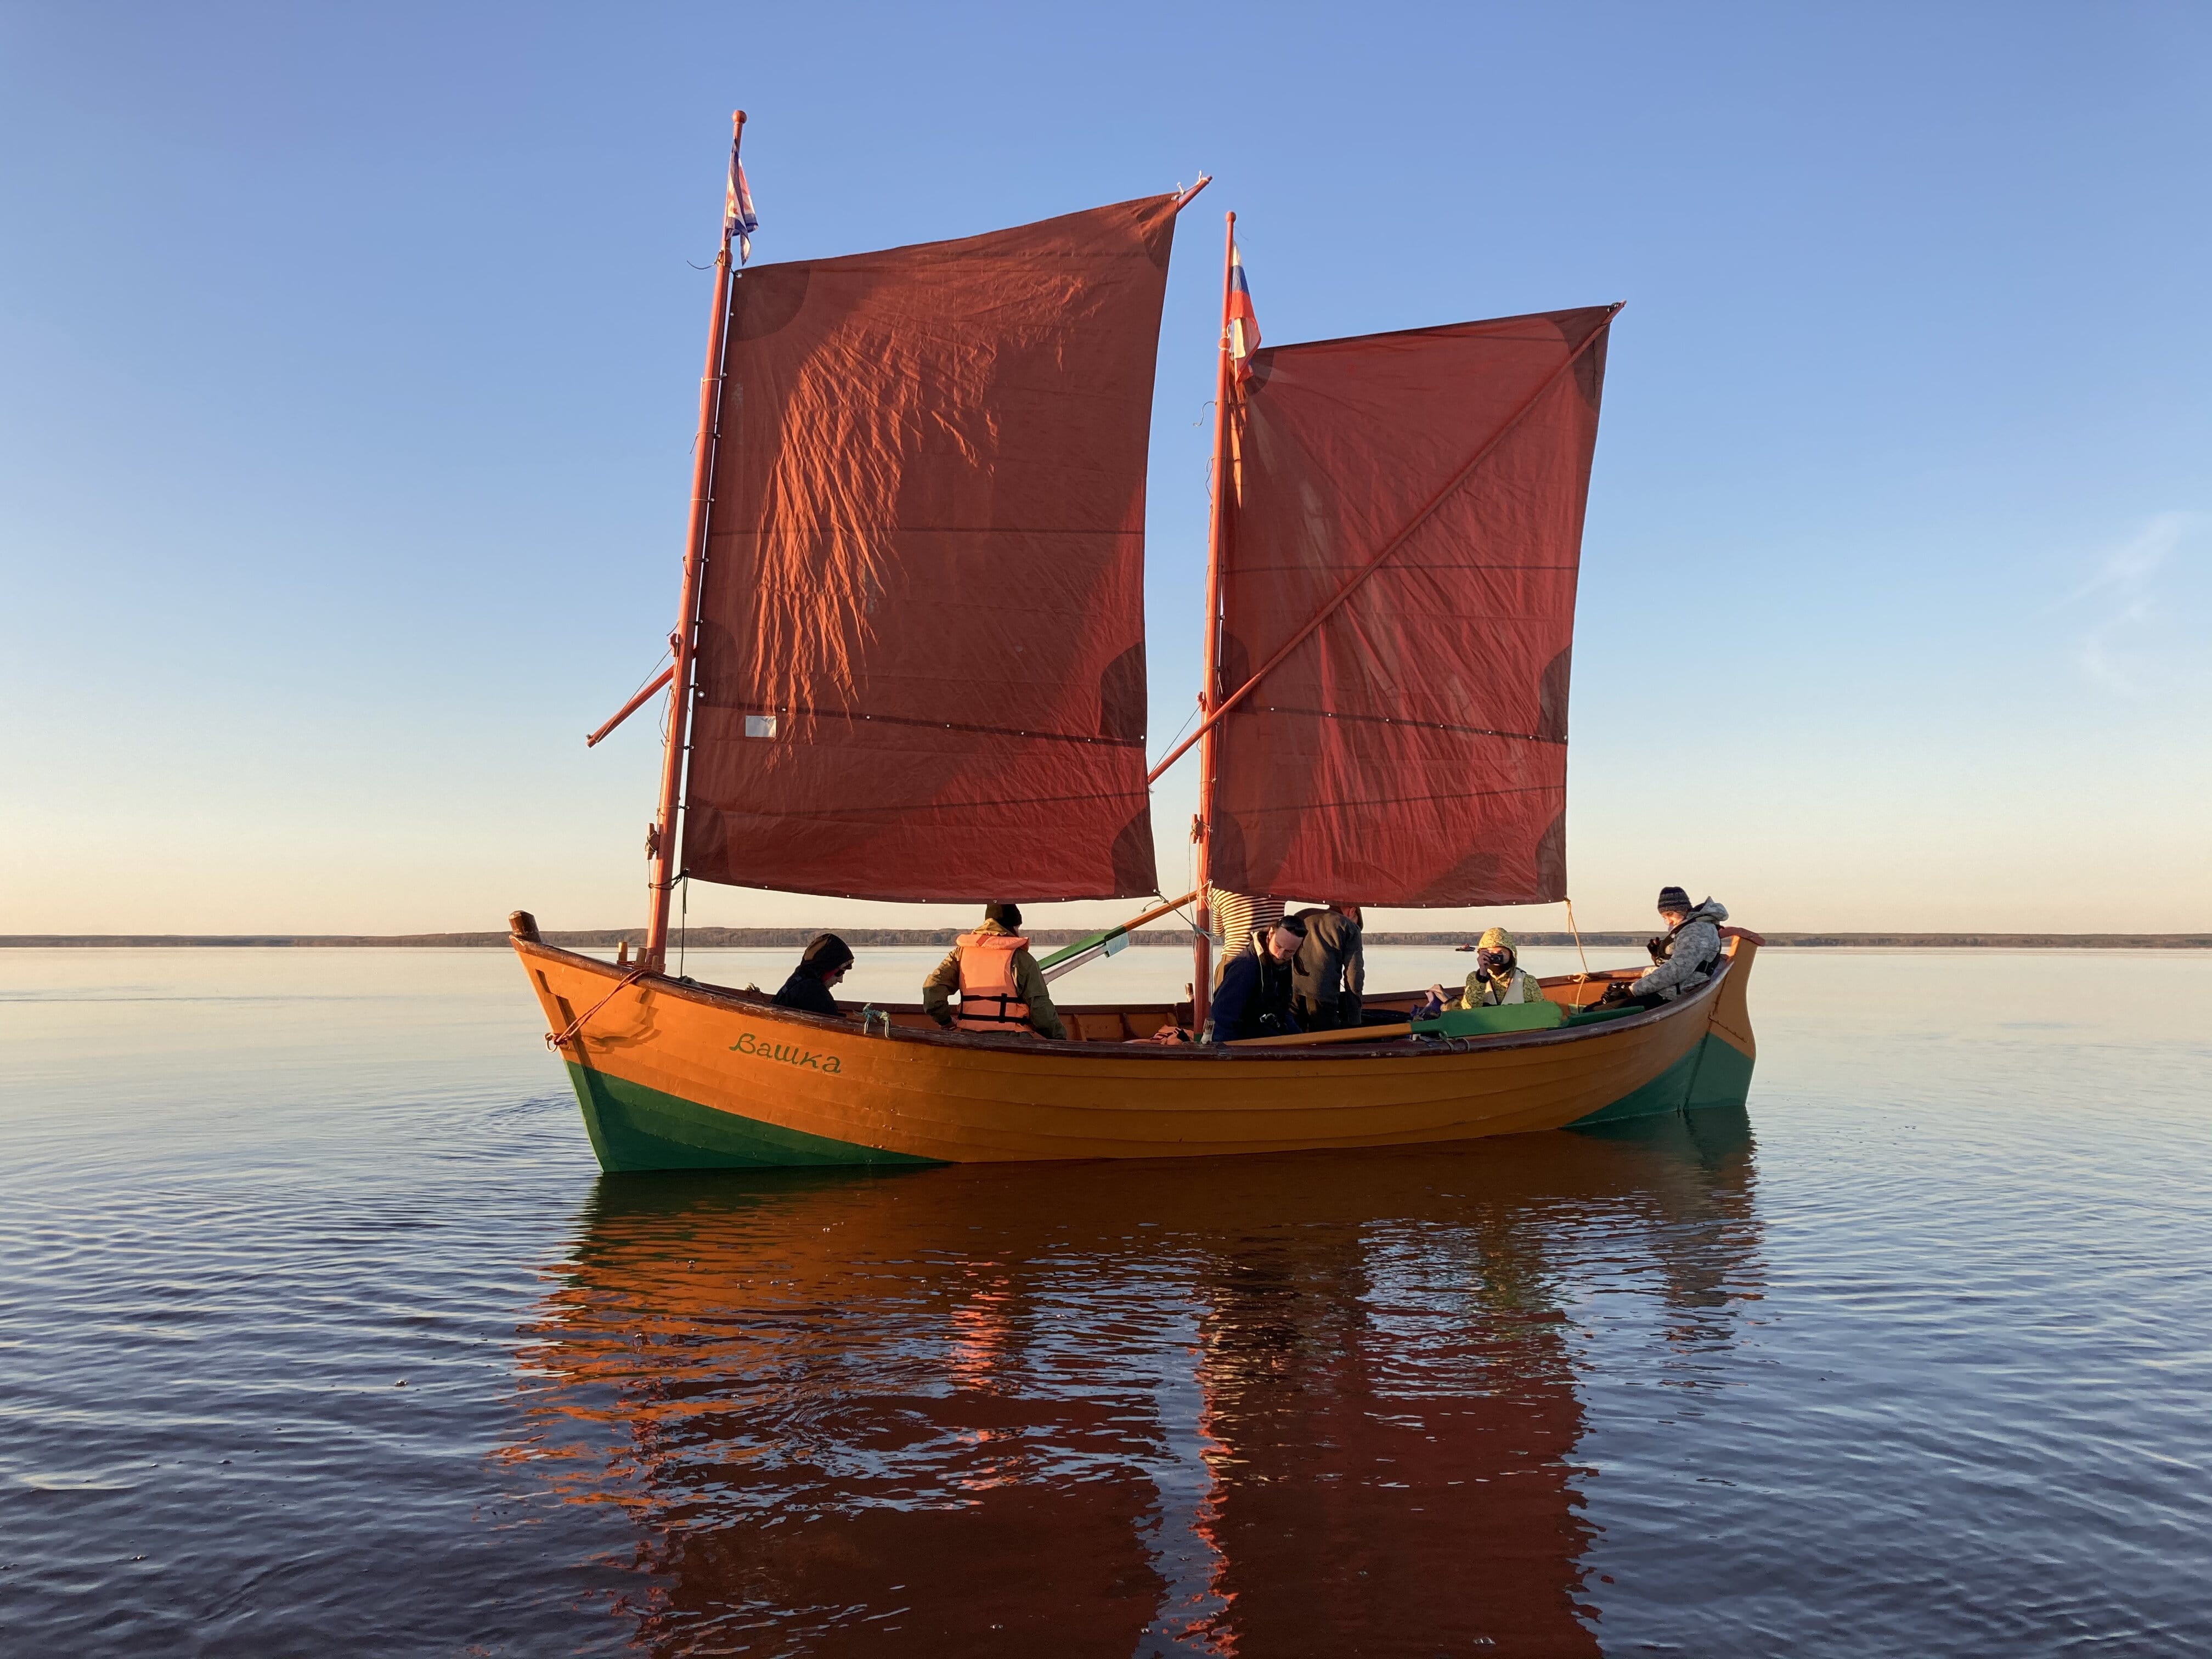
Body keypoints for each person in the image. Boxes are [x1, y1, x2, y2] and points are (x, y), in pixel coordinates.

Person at [922, 903, 1067, 1040]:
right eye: (1018, 927)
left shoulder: (960, 954)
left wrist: (945, 1020)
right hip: (1013, 1042)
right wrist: (1059, 1038)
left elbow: (933, 990)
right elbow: (1041, 1010)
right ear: (1012, 928)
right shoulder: (1022, 959)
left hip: (970, 1039)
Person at [1597, 886, 1730, 1010]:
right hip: (1672, 989)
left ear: (1684, 909)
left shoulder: (1697, 930)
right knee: (1603, 1004)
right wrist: (1658, 956)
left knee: (1596, 1011)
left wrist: (1632, 991)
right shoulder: (1692, 927)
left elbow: (1678, 970)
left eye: (1670, 914)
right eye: (1664, 917)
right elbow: (1683, 963)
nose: (1668, 921)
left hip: (1673, 995)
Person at [1207, 913, 1307, 1043]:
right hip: (1242, 1042)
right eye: (1278, 946)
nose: (1280, 955)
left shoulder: (1283, 966)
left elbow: (1281, 1012)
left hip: (1265, 1034)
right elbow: (1221, 1016)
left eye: (1289, 952)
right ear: (1271, 934)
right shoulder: (1246, 966)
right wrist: (1223, 1055)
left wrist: (1303, 1041)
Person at [1418, 926, 1548, 1018]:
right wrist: (1482, 974)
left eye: (1501, 953)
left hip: (1516, 1034)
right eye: (1490, 953)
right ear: (1481, 954)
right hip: (1483, 1034)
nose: (1496, 957)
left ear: (1512, 954)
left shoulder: (1527, 981)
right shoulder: (1474, 979)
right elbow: (1469, 1011)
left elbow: (1542, 1013)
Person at [1290, 902, 1365, 1030]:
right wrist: (1354, 1019)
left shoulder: (1302, 915)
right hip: (1323, 996)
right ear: (1353, 911)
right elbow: (1354, 976)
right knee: (1325, 1044)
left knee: (1291, 1040)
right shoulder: (1350, 927)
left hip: (1290, 992)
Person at [772, 932, 854, 1017]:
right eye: (839, 973)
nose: (840, 980)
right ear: (826, 969)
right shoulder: (813, 991)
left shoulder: (799, 979)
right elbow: (836, 1023)